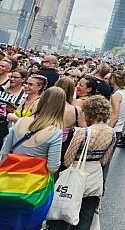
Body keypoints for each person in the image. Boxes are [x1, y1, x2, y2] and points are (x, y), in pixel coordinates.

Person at [47, 96, 116, 230]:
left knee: (62, 211)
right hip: (95, 177)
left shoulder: (83, 133)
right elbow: (104, 161)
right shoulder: (112, 133)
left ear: (88, 112)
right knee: (86, 215)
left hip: (76, 174)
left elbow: (67, 160)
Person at [0, 86, 65, 230]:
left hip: (8, 181)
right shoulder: (55, 132)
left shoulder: (21, 121)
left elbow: (4, 153)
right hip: (34, 188)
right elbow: (53, 167)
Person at [108, 70, 125, 141]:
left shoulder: (116, 96)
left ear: (114, 80)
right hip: (118, 130)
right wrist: (122, 129)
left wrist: (106, 131)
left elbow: (115, 117)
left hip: (112, 130)